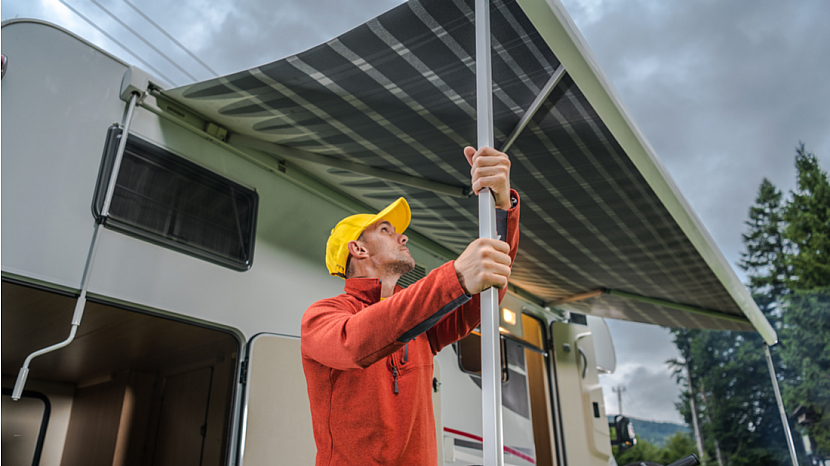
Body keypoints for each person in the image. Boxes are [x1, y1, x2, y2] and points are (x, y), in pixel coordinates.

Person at [301, 146, 521, 466]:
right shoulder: (323, 316)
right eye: (386, 230)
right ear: (358, 249)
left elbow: (490, 277)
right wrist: (455, 276)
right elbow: (354, 342)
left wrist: (502, 208)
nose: (403, 237)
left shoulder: (421, 327)